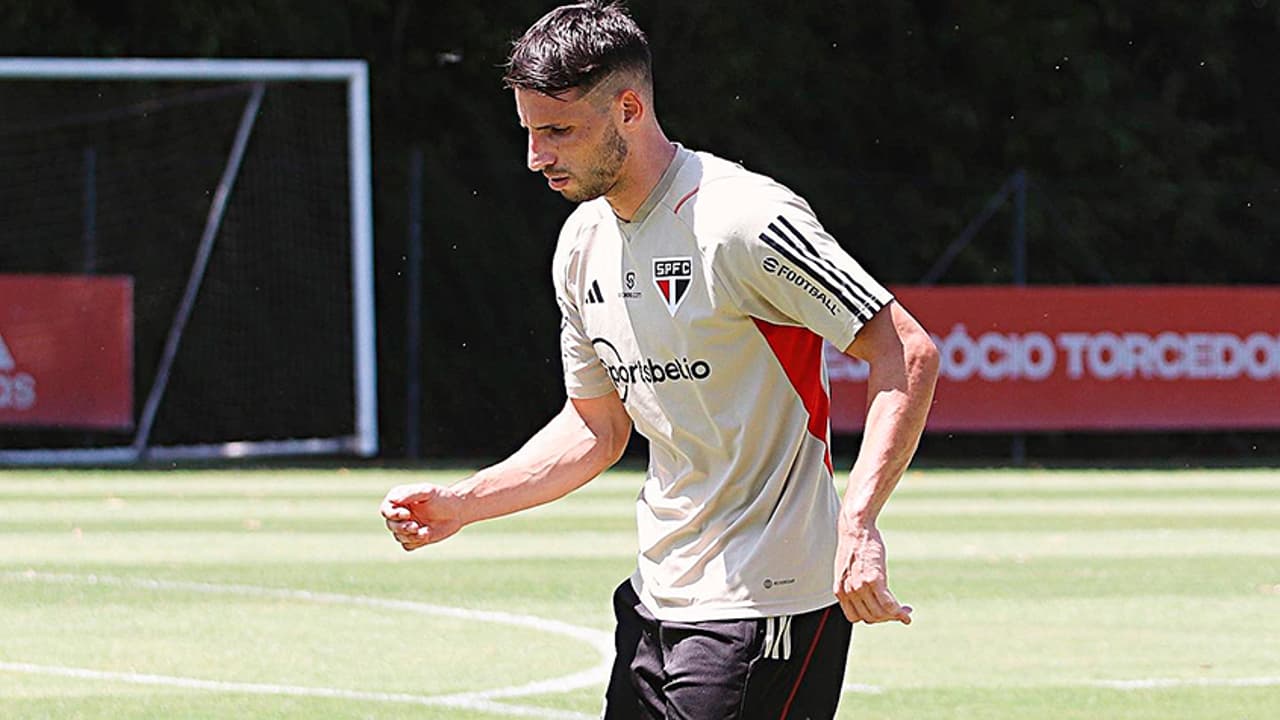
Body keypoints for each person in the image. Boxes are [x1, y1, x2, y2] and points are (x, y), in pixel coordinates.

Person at [381, 2, 939, 717]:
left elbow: (905, 350)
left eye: (558, 131)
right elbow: (597, 429)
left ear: (629, 107)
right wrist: (465, 504)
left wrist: (857, 525)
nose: (536, 156)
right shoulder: (582, 241)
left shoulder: (744, 220)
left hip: (766, 605)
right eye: (529, 132)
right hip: (656, 600)